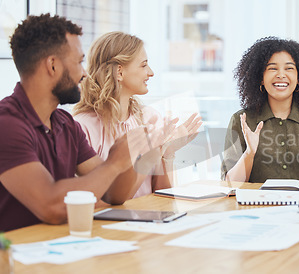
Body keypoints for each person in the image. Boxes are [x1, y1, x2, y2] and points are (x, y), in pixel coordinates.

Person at [0, 14, 171, 232]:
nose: (85, 73)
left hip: (62, 251)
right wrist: (114, 164)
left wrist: (138, 151)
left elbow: (113, 194)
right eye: (79, 62)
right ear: (52, 66)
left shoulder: (65, 124)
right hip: (17, 259)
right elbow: (51, 206)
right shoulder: (7, 124)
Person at [73, 31, 201, 199]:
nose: (151, 72)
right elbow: (106, 199)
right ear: (119, 72)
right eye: (143, 65)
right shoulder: (82, 127)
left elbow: (163, 196)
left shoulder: (150, 118)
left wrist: (167, 152)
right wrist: (154, 152)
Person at [222, 37, 299, 183]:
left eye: (289, 68)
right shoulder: (241, 120)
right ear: (260, 78)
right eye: (272, 68)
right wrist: (249, 153)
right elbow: (229, 185)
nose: (281, 75)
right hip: (256, 205)